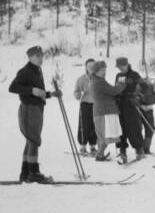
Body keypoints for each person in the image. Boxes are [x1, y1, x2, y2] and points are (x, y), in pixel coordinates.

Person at [8, 46, 61, 183]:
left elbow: (39, 93)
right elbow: (13, 88)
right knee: (34, 140)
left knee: (31, 140)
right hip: (29, 109)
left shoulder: (37, 71)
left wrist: (51, 94)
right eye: (37, 56)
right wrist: (32, 90)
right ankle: (34, 173)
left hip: (37, 108)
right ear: (30, 57)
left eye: (41, 56)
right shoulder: (25, 71)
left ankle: (25, 173)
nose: (40, 58)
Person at [88, 61, 125, 161]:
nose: (104, 72)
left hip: (100, 111)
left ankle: (100, 154)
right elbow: (114, 91)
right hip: (104, 111)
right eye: (102, 70)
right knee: (105, 135)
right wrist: (121, 84)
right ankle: (99, 155)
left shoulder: (95, 80)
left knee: (102, 135)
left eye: (105, 70)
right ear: (96, 71)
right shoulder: (99, 82)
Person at [113, 57, 144, 162]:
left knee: (133, 126)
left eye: (122, 66)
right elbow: (115, 88)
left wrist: (137, 96)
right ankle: (122, 149)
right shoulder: (118, 75)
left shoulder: (135, 75)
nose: (120, 69)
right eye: (119, 67)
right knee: (121, 126)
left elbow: (144, 87)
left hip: (131, 103)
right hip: (120, 103)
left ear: (127, 64)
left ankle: (138, 149)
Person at [73, 58, 98, 155]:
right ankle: (82, 146)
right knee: (84, 125)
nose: (91, 69)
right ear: (86, 68)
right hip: (85, 104)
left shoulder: (98, 78)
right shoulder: (81, 79)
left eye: (93, 66)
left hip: (96, 104)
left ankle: (93, 146)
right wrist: (78, 94)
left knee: (94, 125)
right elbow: (76, 91)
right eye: (89, 67)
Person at [136, 78, 155, 155]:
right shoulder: (146, 87)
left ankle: (146, 148)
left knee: (151, 127)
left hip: (149, 109)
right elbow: (136, 95)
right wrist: (140, 105)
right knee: (138, 127)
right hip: (139, 109)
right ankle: (140, 149)